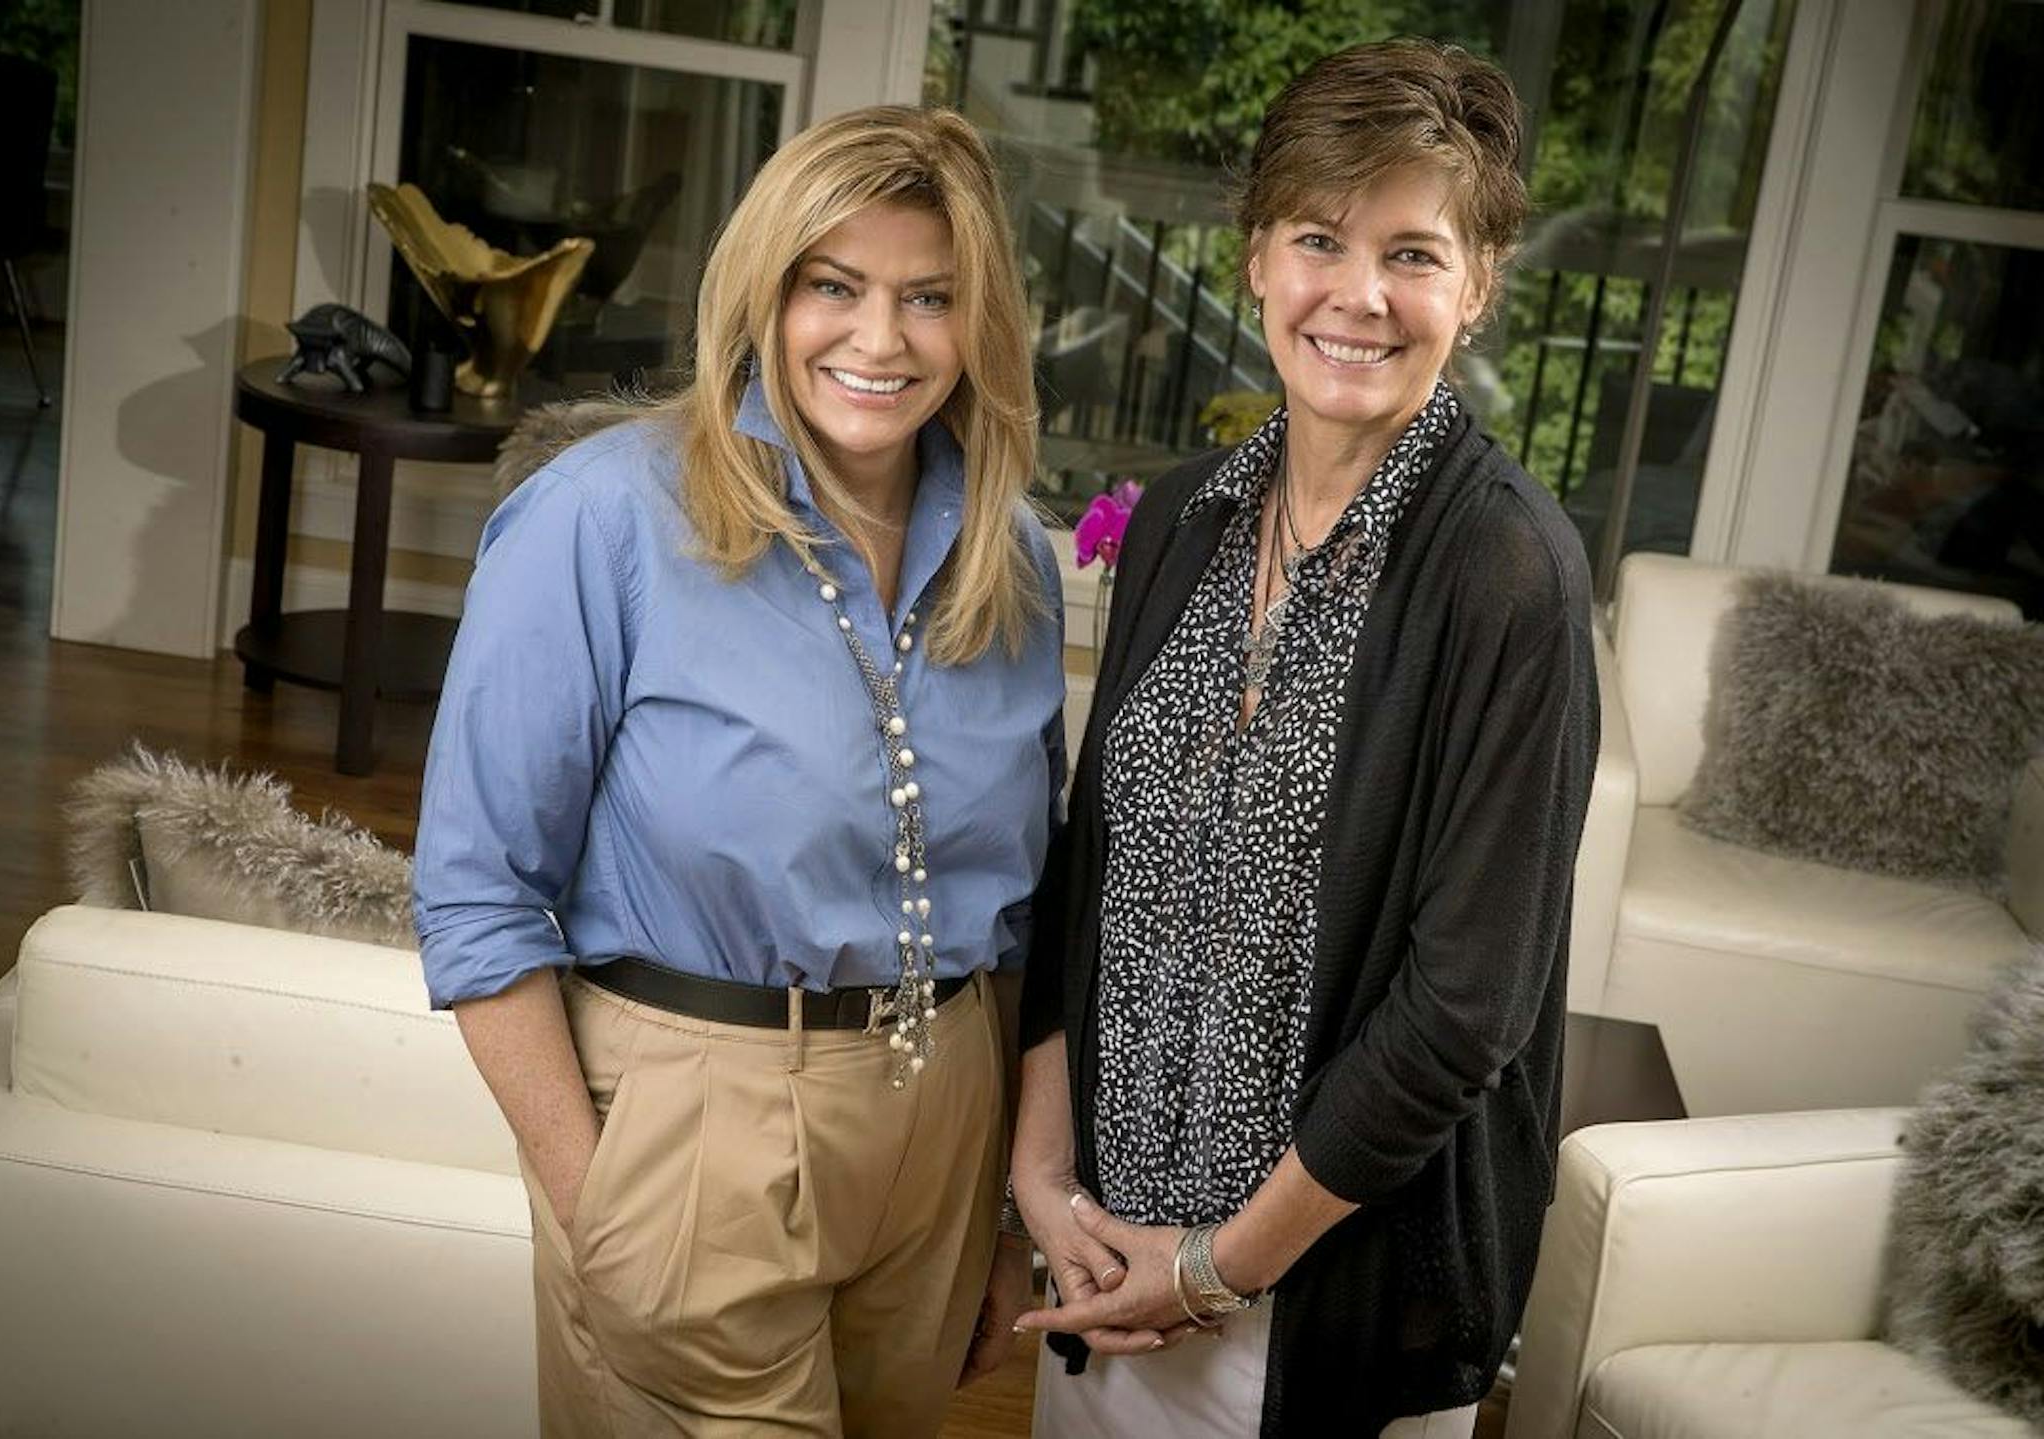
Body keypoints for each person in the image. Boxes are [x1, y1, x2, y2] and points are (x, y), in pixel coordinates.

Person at [412, 106, 1065, 1438]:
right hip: (694, 1128)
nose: (880, 341)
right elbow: (477, 892)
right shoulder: (604, 516)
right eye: (836, 286)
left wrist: (1004, 1212)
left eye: (929, 298)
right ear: (764, 291)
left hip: (942, 1128)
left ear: (980, 323)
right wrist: (595, 1198)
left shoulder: (1015, 557)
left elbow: (1024, 921)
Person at [1010, 38, 1599, 1439]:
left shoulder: (1508, 575)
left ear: (1481, 285)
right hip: (1102, 1255)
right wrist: (1042, 1174)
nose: (1360, 295)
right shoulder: (1178, 521)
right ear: (1258, 259)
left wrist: (1217, 1271)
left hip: (1317, 1305)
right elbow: (1085, 871)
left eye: (1414, 253)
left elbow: (1466, 1012)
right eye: (1321, 238)